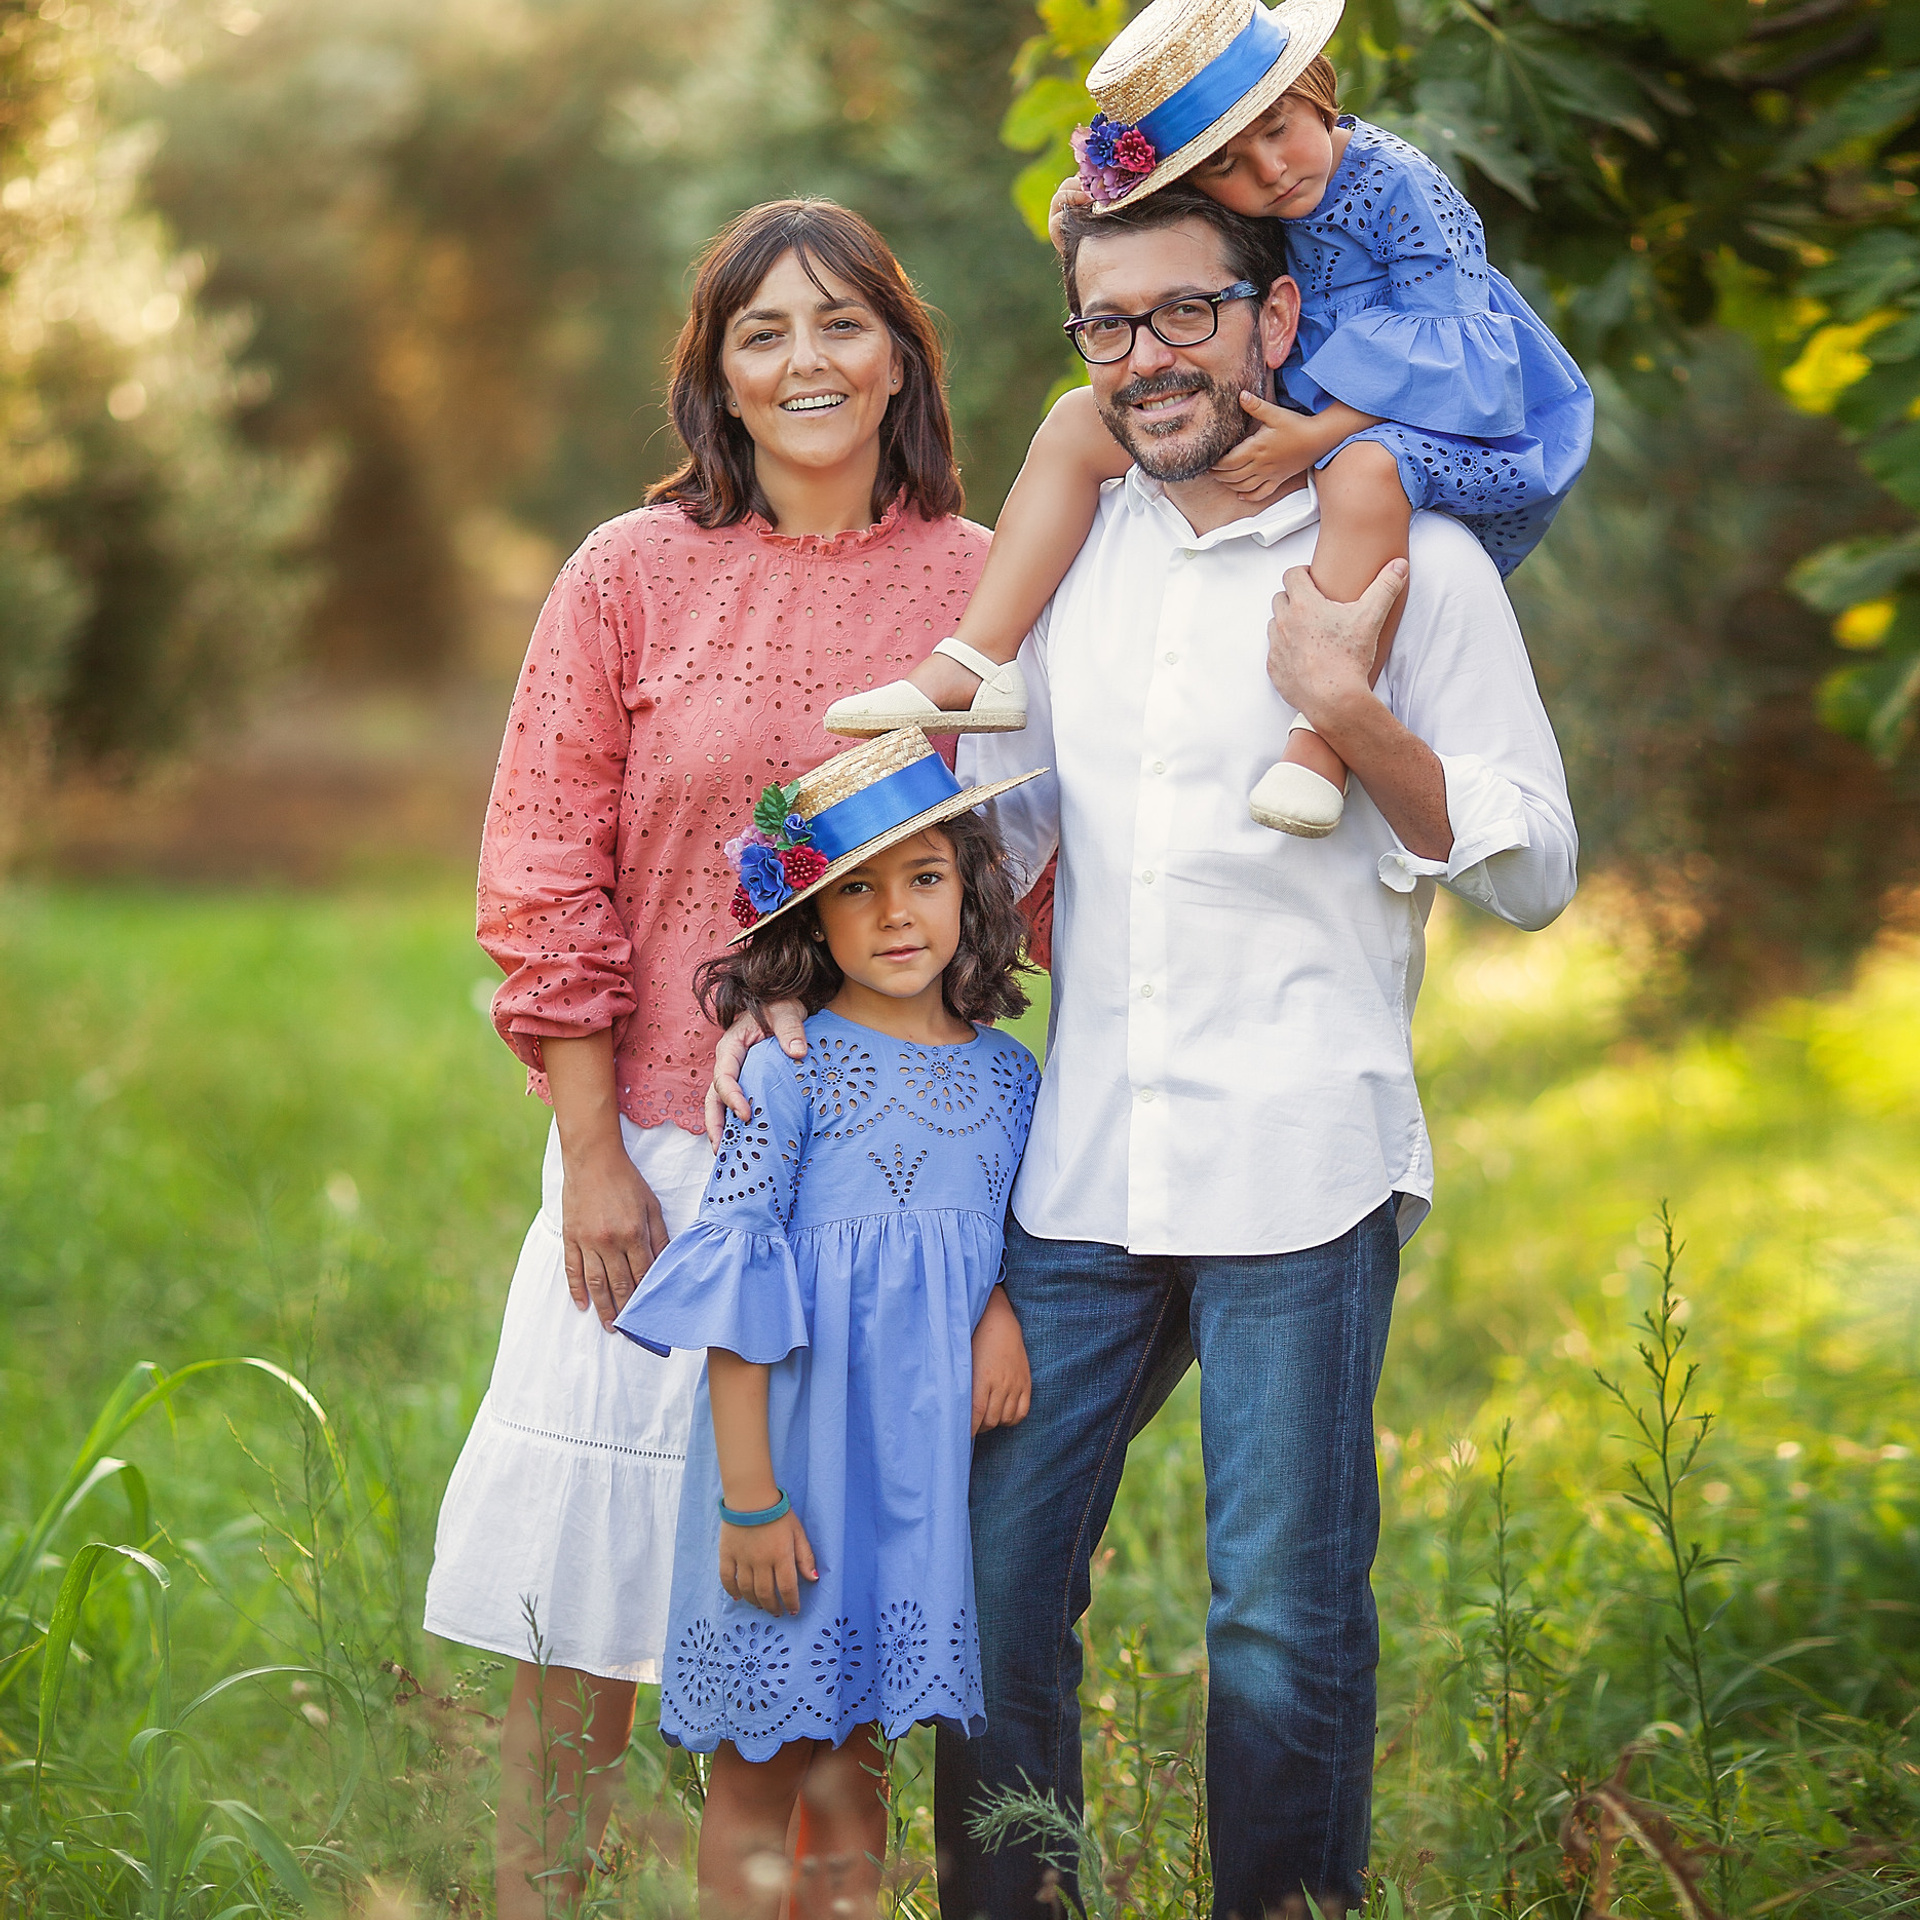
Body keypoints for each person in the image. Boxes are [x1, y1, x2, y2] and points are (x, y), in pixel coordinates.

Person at [709, 182, 1578, 1916]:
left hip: (1302, 1164)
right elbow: (969, 857)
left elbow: (1538, 869)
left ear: (1274, 319)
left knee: (1280, 1606)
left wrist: (1348, 714)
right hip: (1084, 1167)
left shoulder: (1418, 560)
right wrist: (783, 984)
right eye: (1110, 325)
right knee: (998, 1578)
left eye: (1187, 313)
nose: (1149, 357)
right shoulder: (1068, 568)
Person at [419, 198, 994, 1918]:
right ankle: (547, 1901)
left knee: (831, 1605)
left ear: (900, 353)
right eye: (765, 333)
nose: (806, 361)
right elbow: (541, 874)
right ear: (717, 377)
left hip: (881, 1171)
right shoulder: (630, 572)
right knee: (578, 1601)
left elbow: (1018, 876)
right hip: (655, 1154)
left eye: (840, 325)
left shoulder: (978, 587)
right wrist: (593, 1151)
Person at [821, 0, 1591, 844]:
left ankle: (1320, 740)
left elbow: (1450, 348)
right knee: (1079, 421)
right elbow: (1155, 267)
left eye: (1280, 129)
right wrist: (1086, 211)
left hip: (1437, 407)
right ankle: (977, 659)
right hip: (1312, 384)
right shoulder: (1249, 197)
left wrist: (1316, 433)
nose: (1268, 172)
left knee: (1364, 473)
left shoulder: (1396, 185)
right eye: (1226, 162)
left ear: (1312, 90)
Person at [612, 726, 1043, 1919]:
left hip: (915, 1493)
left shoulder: (1013, 1082)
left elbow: (996, 1235)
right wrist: (749, 1499)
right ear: (808, 919)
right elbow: (740, 1296)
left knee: (860, 1772)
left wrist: (998, 1300)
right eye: (854, 890)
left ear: (971, 889)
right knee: (762, 1770)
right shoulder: (791, 1071)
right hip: (792, 1476)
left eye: (923, 879)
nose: (897, 915)